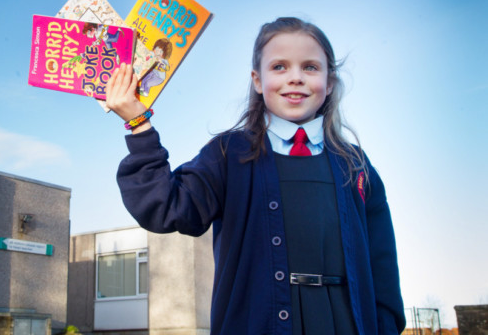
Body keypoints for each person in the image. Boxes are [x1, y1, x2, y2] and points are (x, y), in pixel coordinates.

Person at [105, 17, 405, 335]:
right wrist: (138, 122)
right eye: (279, 67)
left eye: (310, 67)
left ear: (329, 82)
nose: (295, 78)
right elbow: (168, 207)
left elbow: (383, 270)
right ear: (258, 81)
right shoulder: (227, 153)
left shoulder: (356, 166)